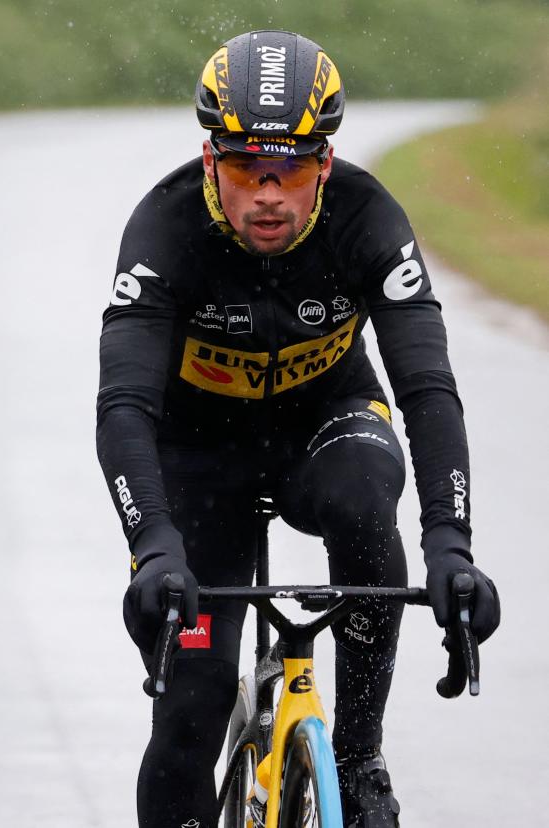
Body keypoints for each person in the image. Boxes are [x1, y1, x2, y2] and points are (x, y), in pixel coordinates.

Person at [95, 30, 500, 828]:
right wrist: (154, 550)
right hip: (198, 456)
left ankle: (358, 757)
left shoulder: (368, 217)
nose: (270, 194)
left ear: (327, 162)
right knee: (188, 720)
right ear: (212, 161)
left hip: (327, 422)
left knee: (363, 500)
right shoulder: (164, 229)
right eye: (249, 168)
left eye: (293, 169)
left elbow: (427, 386)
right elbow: (124, 408)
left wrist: (451, 543)